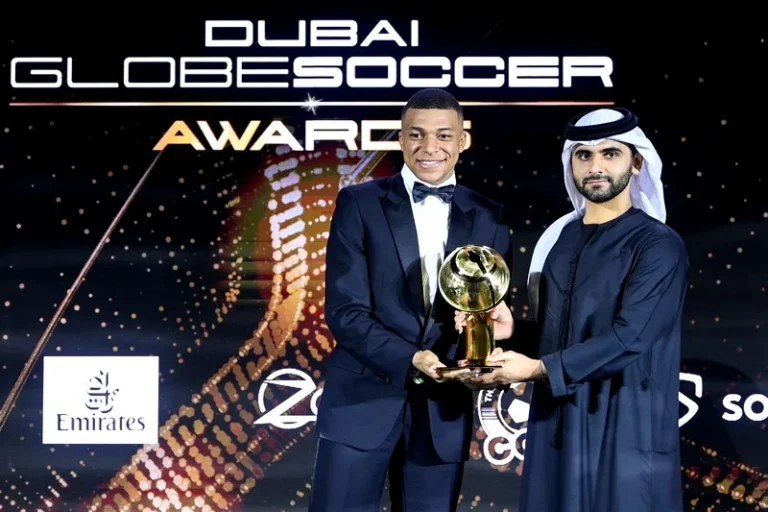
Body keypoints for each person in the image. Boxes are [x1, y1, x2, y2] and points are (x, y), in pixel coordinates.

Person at [455, 108, 689, 512]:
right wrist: (514, 331)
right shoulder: (558, 241)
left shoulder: (658, 244)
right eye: (583, 155)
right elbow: (561, 333)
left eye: (610, 154)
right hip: (557, 424)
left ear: (636, 162)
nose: (595, 166)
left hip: (625, 424)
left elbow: (630, 337)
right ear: (571, 164)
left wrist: (537, 370)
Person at [309, 88, 513, 511]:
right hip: (361, 401)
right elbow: (345, 312)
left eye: (443, 135)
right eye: (416, 135)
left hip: (442, 413)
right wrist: (411, 359)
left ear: (462, 141)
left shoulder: (490, 216)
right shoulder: (359, 203)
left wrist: (490, 339)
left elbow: (487, 313)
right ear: (401, 139)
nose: (429, 147)